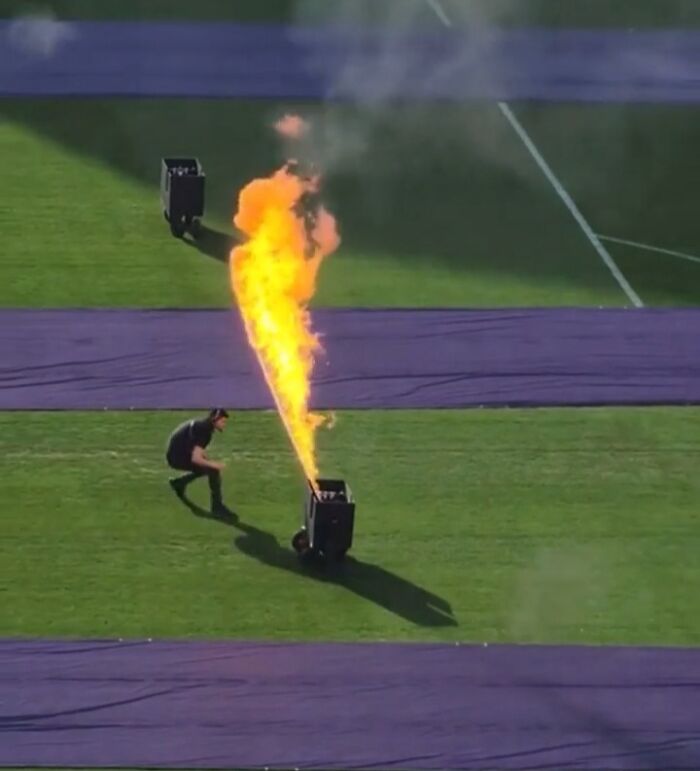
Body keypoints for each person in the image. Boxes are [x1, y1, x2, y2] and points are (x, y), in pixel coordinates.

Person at [165, 408, 232, 515]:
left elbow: (197, 449)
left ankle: (179, 483)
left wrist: (208, 462)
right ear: (215, 419)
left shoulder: (203, 427)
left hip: (175, 455)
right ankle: (217, 507)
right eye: (222, 421)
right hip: (176, 458)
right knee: (213, 470)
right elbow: (196, 459)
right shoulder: (204, 432)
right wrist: (215, 464)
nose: (224, 424)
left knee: (206, 468)